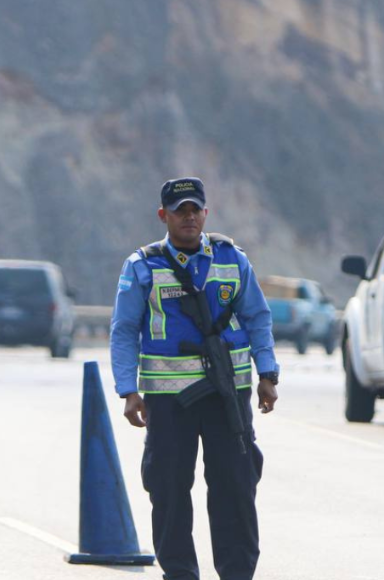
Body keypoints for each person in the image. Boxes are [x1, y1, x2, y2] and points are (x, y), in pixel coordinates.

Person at [110, 176, 280, 580]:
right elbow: (124, 330)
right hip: (169, 401)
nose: (188, 217)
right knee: (168, 488)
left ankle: (237, 573)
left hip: (228, 395)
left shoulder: (232, 259)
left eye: (194, 210)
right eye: (179, 211)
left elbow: (257, 317)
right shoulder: (142, 266)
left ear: (206, 212)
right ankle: (180, 573)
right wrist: (128, 391)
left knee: (235, 487)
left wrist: (268, 373)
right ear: (163, 215)